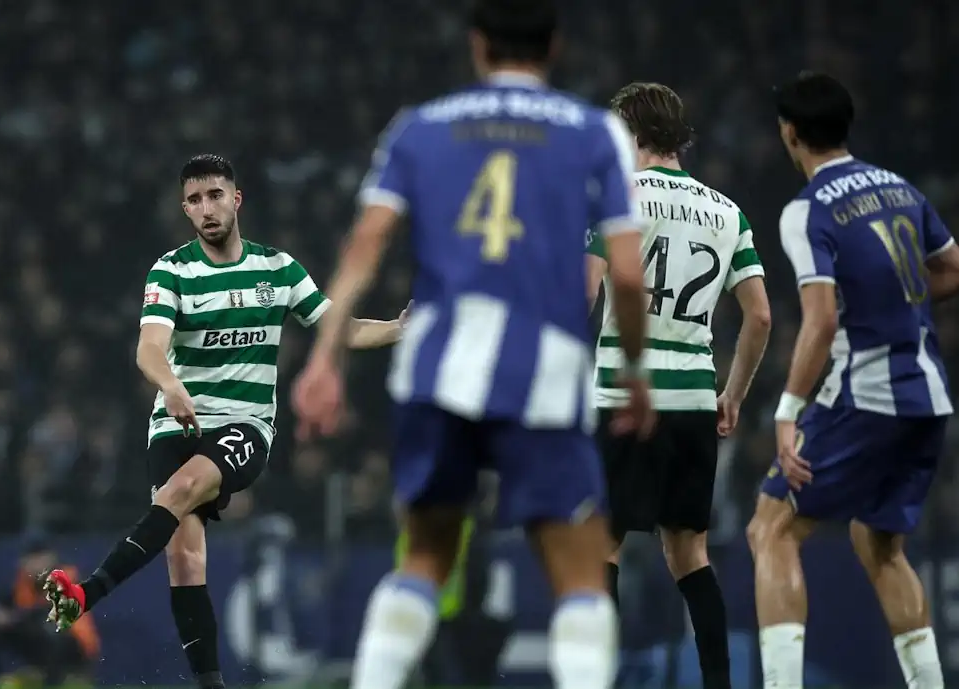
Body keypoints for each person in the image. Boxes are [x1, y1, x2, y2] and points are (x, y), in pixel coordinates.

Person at [290, 0, 655, 686]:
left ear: (477, 45)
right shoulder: (595, 131)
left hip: (436, 368)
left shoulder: (420, 127)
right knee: (577, 571)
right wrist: (633, 369)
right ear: (554, 46)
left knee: (424, 558)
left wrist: (323, 358)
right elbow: (627, 277)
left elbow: (365, 248)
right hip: (545, 372)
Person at [43, 154, 406, 689]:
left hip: (246, 424)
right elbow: (149, 349)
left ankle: (86, 595)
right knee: (185, 560)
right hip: (176, 424)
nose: (206, 208)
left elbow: (339, 329)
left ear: (235, 200)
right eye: (194, 200)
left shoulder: (277, 269)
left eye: (214, 195)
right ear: (185, 209)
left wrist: (399, 328)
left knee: (183, 488)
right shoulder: (172, 271)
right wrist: (170, 387)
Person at [747, 71, 959, 689]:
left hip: (867, 393)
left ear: (789, 134)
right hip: (930, 395)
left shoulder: (807, 209)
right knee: (880, 545)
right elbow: (950, 270)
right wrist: (896, 305)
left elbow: (820, 320)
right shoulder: (899, 188)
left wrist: (786, 412)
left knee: (772, 528)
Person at [585, 82, 772, 689]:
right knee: (691, 555)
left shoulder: (614, 200)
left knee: (603, 545)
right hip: (694, 399)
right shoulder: (726, 211)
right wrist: (734, 393)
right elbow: (761, 314)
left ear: (632, 131)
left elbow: (583, 296)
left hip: (624, 396)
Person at [0, 539, 97, 684]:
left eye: (40, 557)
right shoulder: (23, 581)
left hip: (75, 647)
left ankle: (65, 678)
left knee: (48, 628)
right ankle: (0, 676)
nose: (36, 563)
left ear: (52, 557)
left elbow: (50, 611)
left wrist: (13, 618)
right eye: (31, 558)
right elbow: (3, 604)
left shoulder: (67, 575)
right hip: (39, 644)